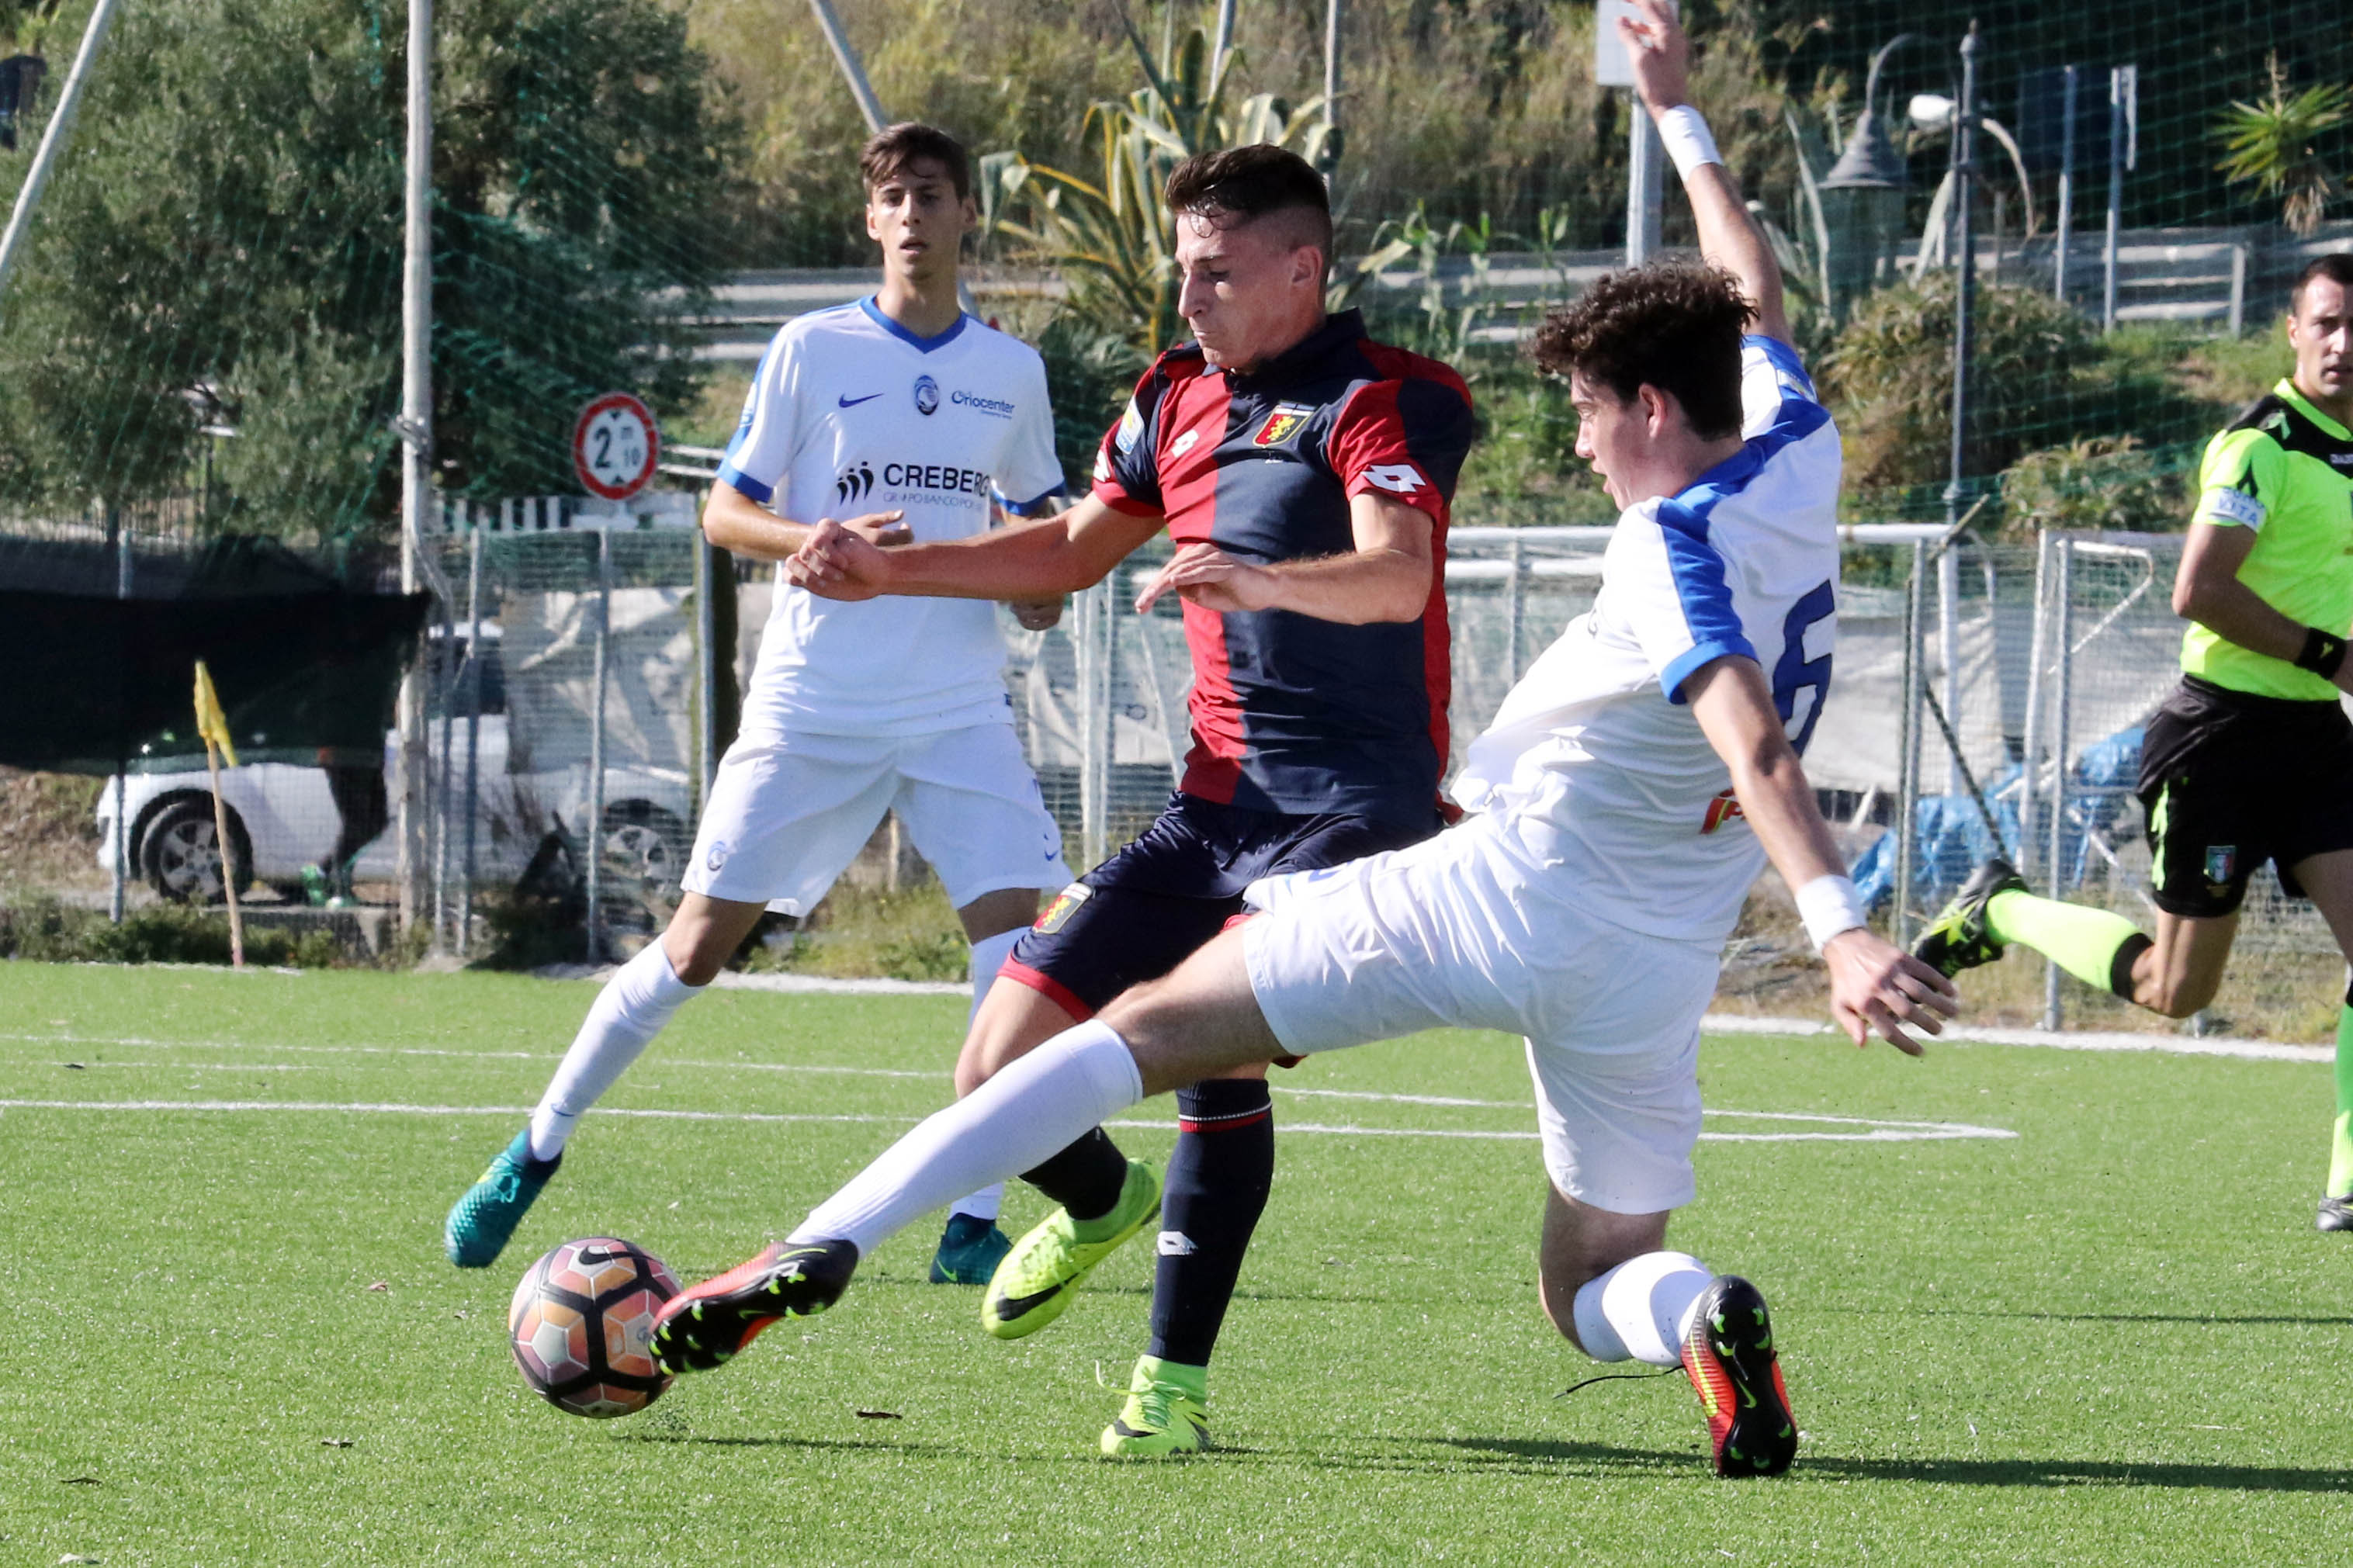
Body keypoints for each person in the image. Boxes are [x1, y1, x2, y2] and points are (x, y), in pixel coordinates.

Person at [644, 1, 1958, 1478]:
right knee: (1587, 1281)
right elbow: (1747, 295)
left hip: (1489, 885)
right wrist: (1674, 110)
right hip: (1655, 959)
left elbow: (1748, 739)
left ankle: (822, 1250)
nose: (1581, 441)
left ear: (1651, 405)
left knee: (1140, 1035)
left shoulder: (1666, 547)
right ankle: (1701, 1310)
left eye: (1592, 413)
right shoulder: (1795, 438)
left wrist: (1844, 927)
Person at [783, 141, 1476, 1455]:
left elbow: (1396, 576)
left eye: (1215, 274)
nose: (1191, 299)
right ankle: (1099, 1205)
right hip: (1211, 807)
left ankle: (1170, 1388)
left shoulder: (1388, 398)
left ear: (1301, 267)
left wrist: (1263, 580)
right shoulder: (1171, 398)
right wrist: (896, 573)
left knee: (1200, 1045)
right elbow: (1064, 550)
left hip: (1355, 814)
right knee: (990, 1067)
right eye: (1181, 272)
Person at [442, 122, 1074, 1271]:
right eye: (895, 198)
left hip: (956, 712)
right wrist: (806, 537)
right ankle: (536, 1146)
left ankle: (974, 1223)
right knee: (691, 951)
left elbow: (1045, 534)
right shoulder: (810, 349)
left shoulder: (1010, 374)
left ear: (969, 214)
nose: (915, 217)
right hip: (813, 710)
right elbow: (724, 512)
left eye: (934, 195)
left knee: (1019, 955)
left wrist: (1041, 594)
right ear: (870, 221)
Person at [1915, 253, 2353, 1233]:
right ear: (2292, 332)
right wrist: (2334, 655)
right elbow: (2196, 589)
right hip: (2220, 737)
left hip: (2316, 739)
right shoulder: (2259, 447)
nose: (2342, 343)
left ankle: (2347, 1173)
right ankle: (2007, 909)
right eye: (2325, 323)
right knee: (2172, 986)